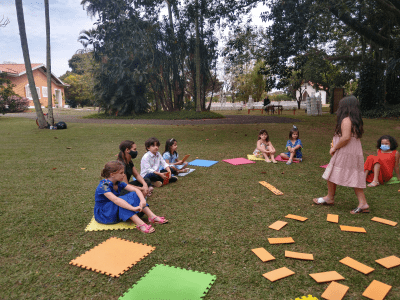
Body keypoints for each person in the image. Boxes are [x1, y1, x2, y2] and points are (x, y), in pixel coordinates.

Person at [313, 95, 368, 214]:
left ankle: (330, 197)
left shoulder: (346, 120)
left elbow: (346, 138)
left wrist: (334, 148)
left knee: (331, 172)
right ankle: (362, 203)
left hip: (345, 151)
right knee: (354, 175)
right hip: (353, 152)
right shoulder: (354, 120)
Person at [94, 161, 168, 234]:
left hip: (113, 210)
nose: (123, 175)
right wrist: (132, 208)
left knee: (133, 194)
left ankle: (152, 216)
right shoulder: (104, 185)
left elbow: (136, 190)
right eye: (121, 173)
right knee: (121, 201)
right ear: (112, 174)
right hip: (104, 214)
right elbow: (116, 200)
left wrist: (142, 200)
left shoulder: (119, 183)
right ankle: (140, 224)